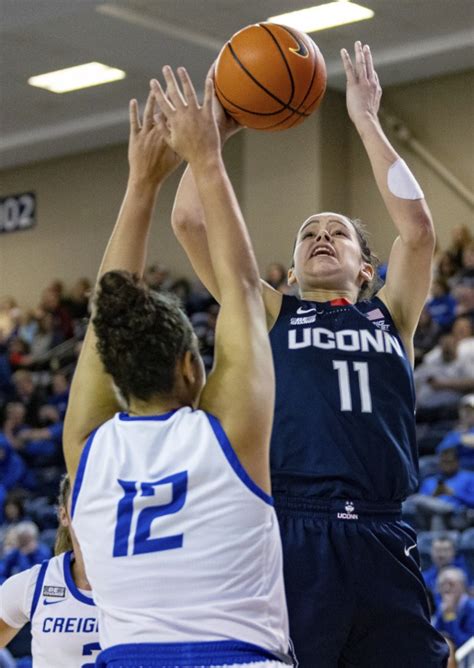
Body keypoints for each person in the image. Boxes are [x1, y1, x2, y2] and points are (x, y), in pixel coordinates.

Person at [170, 42, 449, 666]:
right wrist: (219, 126)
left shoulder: (391, 313)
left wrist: (366, 120)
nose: (321, 237)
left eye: (338, 232)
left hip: (382, 527)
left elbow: (421, 231)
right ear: (291, 270)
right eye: (308, 235)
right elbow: (190, 223)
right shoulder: (269, 310)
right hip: (294, 525)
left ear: (367, 267)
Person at [63, 72, 291, 668]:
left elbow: (102, 318)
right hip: (234, 657)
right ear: (192, 367)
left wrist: (142, 184)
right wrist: (207, 163)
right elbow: (243, 289)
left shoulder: (87, 448)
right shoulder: (230, 435)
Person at [0, 475, 100, 667]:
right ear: (64, 515)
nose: (93, 507)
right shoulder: (36, 583)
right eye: (82, 496)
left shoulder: (146, 583)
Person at [433, 567, 474, 649]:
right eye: (442, 585)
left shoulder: (471, 608)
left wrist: (450, 615)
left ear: (462, 586)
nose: (446, 588)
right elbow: (434, 636)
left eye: (451, 584)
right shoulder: (443, 607)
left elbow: (463, 644)